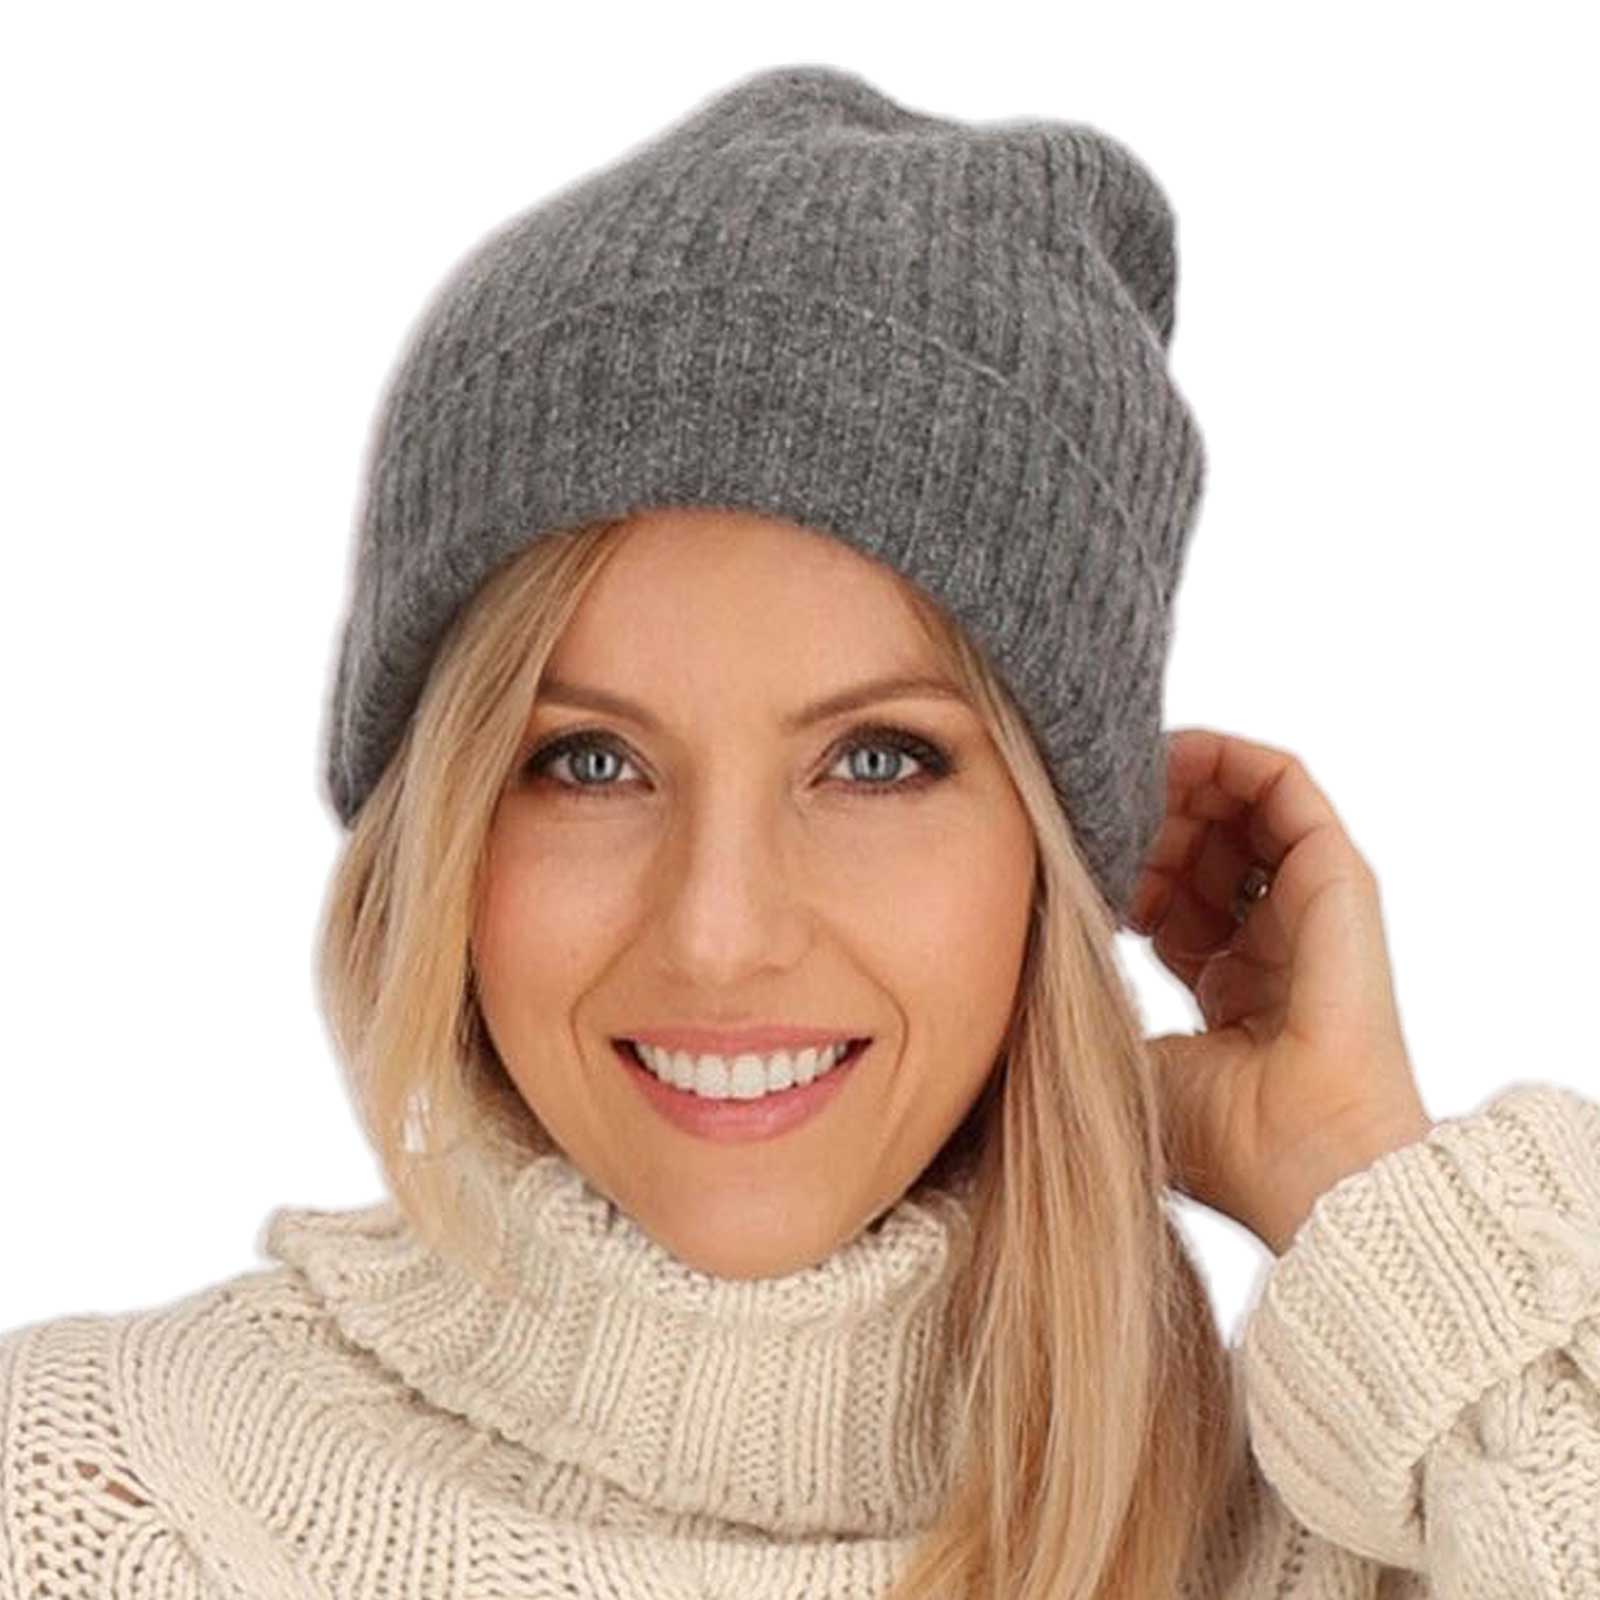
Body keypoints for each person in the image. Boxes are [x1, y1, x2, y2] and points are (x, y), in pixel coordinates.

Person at [2, 61, 1596, 1600]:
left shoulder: (1370, 1543)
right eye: (588, 763)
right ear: (437, 835)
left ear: (1059, 861)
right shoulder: (85, 1500)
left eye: (878, 761)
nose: (719, 933)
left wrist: (1368, 1194)